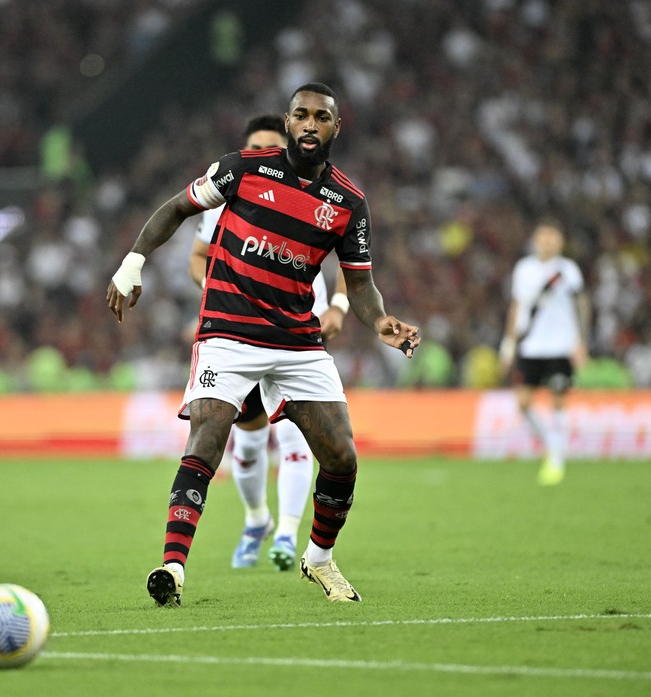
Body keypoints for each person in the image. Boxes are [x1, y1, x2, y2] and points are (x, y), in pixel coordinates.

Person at [107, 82, 420, 605]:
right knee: (208, 436)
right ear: (288, 121)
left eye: (322, 116)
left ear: (336, 127)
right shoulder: (243, 169)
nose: (310, 124)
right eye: (301, 115)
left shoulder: (347, 203)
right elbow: (175, 209)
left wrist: (381, 321)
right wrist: (132, 262)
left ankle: (319, 559)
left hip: (297, 340)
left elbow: (360, 284)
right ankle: (172, 567)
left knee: (341, 457)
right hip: (228, 332)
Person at [187, 113, 351, 571]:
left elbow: (346, 259)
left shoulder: (318, 197)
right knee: (251, 441)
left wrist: (337, 306)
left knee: (298, 438)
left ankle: (286, 533)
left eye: (270, 145)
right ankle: (257, 519)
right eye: (255, 145)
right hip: (241, 334)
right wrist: (220, 298)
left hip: (298, 332)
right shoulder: (228, 193)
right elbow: (199, 257)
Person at [499, 221, 590, 486]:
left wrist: (582, 341)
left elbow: (581, 304)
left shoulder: (568, 269)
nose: (548, 242)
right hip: (531, 345)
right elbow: (516, 306)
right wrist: (508, 342)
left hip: (561, 345)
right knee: (523, 402)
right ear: (535, 241)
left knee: (558, 399)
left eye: (553, 237)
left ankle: (557, 460)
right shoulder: (524, 269)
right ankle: (553, 445)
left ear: (560, 242)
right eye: (544, 237)